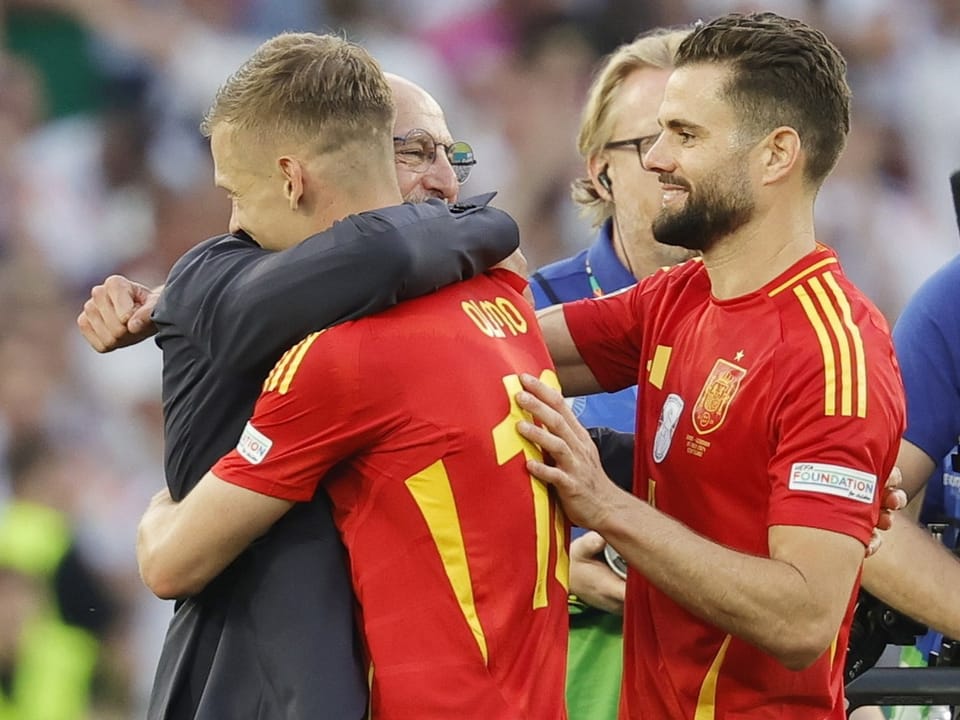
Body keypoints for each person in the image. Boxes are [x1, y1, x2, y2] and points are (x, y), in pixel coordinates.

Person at [78, 37, 519, 720]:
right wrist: (489, 226)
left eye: (451, 156)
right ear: (306, 171)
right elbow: (387, 248)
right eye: (417, 152)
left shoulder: (432, 293)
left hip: (378, 671)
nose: (447, 182)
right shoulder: (216, 274)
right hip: (248, 680)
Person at [515, 12, 905, 719]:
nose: (657, 157)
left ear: (776, 154)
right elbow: (502, 354)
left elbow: (803, 621)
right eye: (659, 131)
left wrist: (605, 505)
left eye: (685, 135)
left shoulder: (833, 354)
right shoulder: (683, 294)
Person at [528, 27, 693, 720]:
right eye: (651, 141)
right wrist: (565, 565)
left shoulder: (786, 320)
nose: (674, 160)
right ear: (600, 171)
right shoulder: (526, 317)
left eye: (694, 135)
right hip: (580, 681)